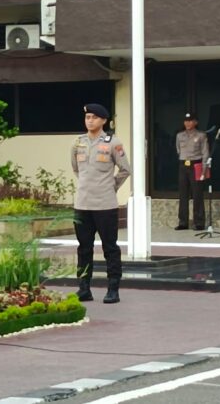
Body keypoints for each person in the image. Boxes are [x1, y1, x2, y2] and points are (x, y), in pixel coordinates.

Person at [71, 104, 131, 304]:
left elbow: (125, 169)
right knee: (84, 248)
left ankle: (113, 288)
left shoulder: (113, 143)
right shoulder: (78, 143)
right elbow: (76, 169)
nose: (90, 121)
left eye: (95, 117)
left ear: (104, 121)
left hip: (105, 204)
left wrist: (109, 186)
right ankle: (84, 288)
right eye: (87, 117)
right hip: (82, 204)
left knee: (110, 247)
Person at [175, 112, 210, 230]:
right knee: (183, 194)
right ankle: (183, 222)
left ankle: (199, 222)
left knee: (197, 194)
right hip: (183, 165)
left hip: (196, 165)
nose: (187, 123)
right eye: (186, 121)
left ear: (195, 122)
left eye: (190, 121)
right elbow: (178, 150)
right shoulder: (180, 135)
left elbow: (205, 153)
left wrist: (204, 169)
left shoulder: (201, 135)